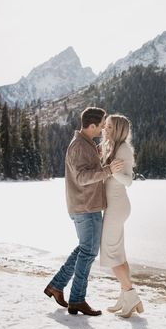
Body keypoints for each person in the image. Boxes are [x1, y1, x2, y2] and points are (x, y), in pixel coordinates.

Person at [44, 107, 123, 316]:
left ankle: (56, 286)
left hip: (87, 206)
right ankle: (77, 299)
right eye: (101, 125)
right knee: (88, 251)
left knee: (84, 249)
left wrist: (99, 157)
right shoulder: (79, 146)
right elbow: (81, 177)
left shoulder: (86, 144)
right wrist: (108, 171)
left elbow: (86, 168)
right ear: (92, 125)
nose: (103, 128)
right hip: (85, 207)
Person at [100, 114, 144, 318]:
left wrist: (110, 172)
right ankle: (126, 297)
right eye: (105, 125)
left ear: (117, 129)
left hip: (117, 206)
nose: (104, 128)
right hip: (114, 206)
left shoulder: (123, 148)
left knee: (111, 253)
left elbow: (128, 181)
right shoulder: (111, 146)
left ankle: (131, 295)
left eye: (108, 126)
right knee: (119, 253)